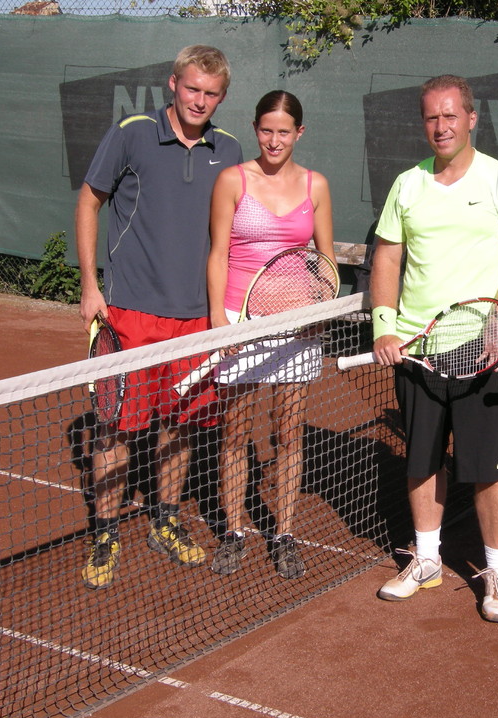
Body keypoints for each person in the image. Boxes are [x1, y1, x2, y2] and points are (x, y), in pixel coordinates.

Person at [76, 45, 242, 589]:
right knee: (113, 430)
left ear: (222, 96)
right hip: (130, 312)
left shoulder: (232, 148)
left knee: (182, 425)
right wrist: (88, 284)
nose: (200, 100)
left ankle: (166, 518)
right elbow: (88, 200)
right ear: (173, 84)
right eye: (192, 88)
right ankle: (105, 530)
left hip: (198, 320)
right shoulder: (132, 132)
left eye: (211, 93)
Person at [370, 75, 498, 622]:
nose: (441, 127)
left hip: (480, 347)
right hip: (417, 347)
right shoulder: (406, 184)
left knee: (489, 467)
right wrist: (384, 327)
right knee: (421, 459)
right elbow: (388, 259)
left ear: (471, 118)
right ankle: (429, 559)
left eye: (450, 116)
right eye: (432, 118)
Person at [206, 90, 335, 579]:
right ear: (256, 129)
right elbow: (218, 254)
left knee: (288, 433)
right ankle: (235, 531)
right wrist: (221, 321)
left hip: (298, 324)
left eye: (284, 131)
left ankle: (283, 533)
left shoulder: (316, 185)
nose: (274, 139)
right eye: (266, 130)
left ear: (299, 133)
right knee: (236, 432)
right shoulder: (232, 180)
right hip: (242, 319)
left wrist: (321, 308)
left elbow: (324, 259)